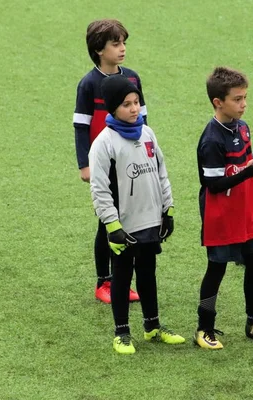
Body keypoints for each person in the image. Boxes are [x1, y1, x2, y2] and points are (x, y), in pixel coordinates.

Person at [89, 74, 185, 354]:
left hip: (150, 219)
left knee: (148, 272)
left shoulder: (147, 133)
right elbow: (99, 188)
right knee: (121, 275)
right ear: (112, 109)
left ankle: (152, 327)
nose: (134, 109)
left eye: (136, 102)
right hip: (123, 224)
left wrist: (167, 209)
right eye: (127, 105)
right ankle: (121, 333)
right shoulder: (104, 143)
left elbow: (161, 171)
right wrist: (111, 224)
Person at [195, 67, 253, 350]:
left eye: (245, 97)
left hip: (244, 212)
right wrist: (248, 174)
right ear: (218, 102)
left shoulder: (242, 128)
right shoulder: (211, 139)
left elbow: (249, 168)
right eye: (237, 99)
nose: (244, 104)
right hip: (220, 215)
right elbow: (215, 185)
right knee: (216, 270)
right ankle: (204, 327)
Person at [73, 19, 147, 304]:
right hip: (104, 164)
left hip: (131, 162)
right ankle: (104, 282)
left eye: (123, 43)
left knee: (130, 218)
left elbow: (143, 119)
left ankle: (121, 279)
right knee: (107, 221)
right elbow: (81, 126)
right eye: (115, 44)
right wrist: (85, 165)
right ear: (98, 50)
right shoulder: (89, 83)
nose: (122, 48)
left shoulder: (133, 78)